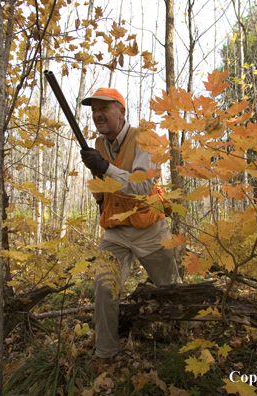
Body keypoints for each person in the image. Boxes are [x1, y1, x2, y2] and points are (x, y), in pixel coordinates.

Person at [80, 87, 181, 361]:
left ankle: (187, 342)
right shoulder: (99, 145)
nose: (98, 115)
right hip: (116, 230)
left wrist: (103, 167)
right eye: (94, 111)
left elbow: (142, 184)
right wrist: (99, 189)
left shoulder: (145, 139)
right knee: (103, 285)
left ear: (122, 111)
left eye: (105, 109)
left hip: (149, 226)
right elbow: (103, 187)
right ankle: (106, 352)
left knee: (171, 288)